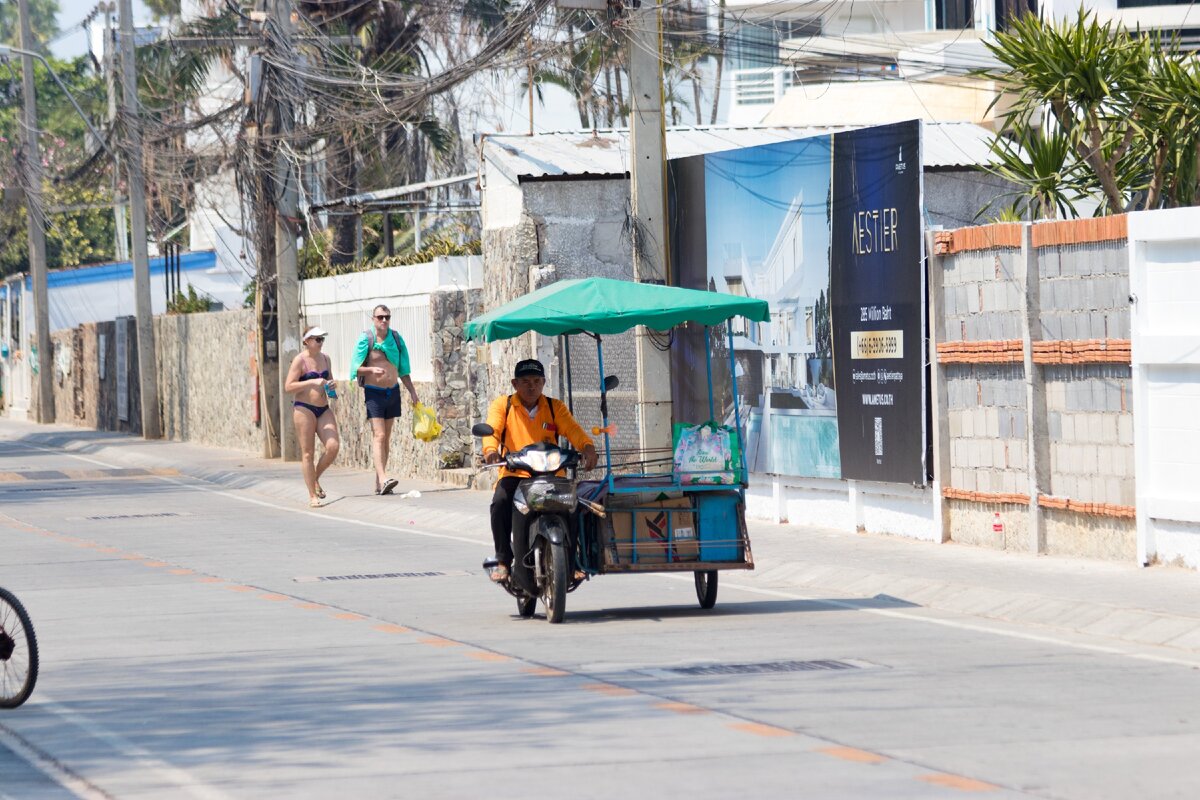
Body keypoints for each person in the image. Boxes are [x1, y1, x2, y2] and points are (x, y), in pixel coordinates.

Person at [483, 359, 598, 582]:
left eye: (536, 381)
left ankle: (572, 562)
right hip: (515, 475)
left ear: (544, 382)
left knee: (572, 507)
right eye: (525, 382)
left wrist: (587, 447)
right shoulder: (503, 406)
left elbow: (573, 430)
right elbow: (492, 430)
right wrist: (490, 451)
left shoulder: (555, 407)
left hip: (552, 476)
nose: (531, 387)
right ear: (515, 384)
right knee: (499, 503)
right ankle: (503, 560)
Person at [348, 304, 419, 495]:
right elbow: (355, 368)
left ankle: (380, 483)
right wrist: (371, 369)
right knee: (378, 435)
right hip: (374, 392)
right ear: (373, 319)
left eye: (387, 317)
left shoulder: (396, 338)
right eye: (380, 317)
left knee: (386, 437)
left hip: (392, 391)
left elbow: (403, 369)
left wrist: (412, 391)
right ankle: (383, 477)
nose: (384, 320)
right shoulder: (366, 339)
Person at [285, 326, 341, 507]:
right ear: (306, 341)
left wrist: (331, 385)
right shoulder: (299, 361)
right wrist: (310, 381)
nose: (320, 342)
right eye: (317, 339)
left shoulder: (326, 359)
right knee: (308, 453)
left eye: (322, 339)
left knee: (333, 446)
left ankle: (315, 477)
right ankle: (312, 495)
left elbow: (329, 379)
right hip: (304, 409)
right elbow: (288, 386)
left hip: (323, 408)